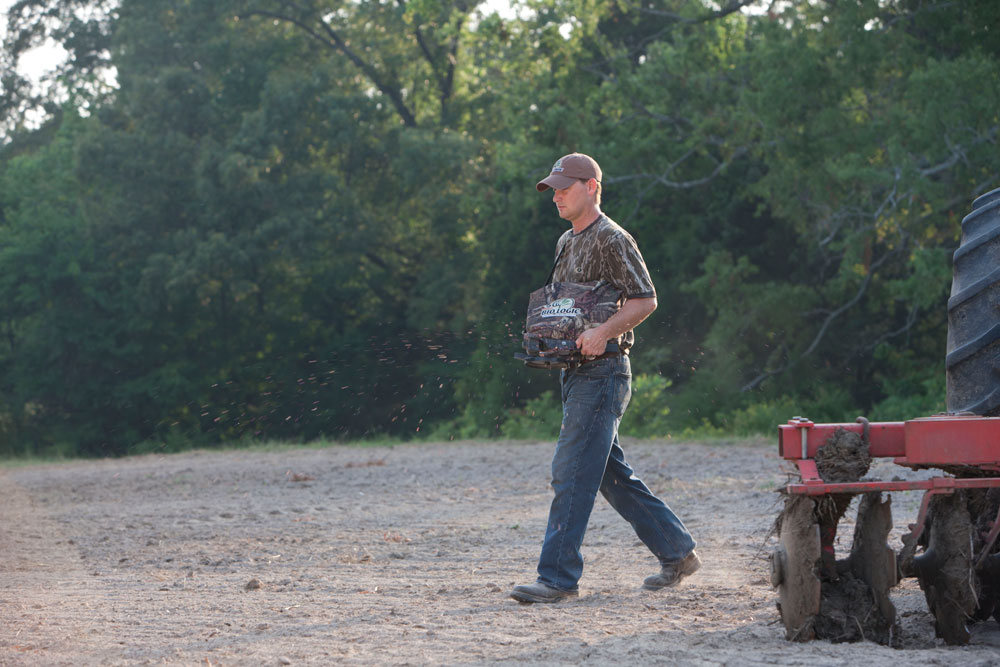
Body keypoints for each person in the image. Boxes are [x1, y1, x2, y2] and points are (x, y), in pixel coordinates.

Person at [510, 152, 699, 604]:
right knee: (610, 477)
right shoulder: (564, 242)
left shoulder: (612, 238)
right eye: (553, 188)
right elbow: (570, 305)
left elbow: (645, 299)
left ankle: (557, 578)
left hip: (605, 371)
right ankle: (677, 552)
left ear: (591, 187)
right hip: (575, 375)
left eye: (565, 186)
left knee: (571, 470)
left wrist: (602, 332)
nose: (556, 194)